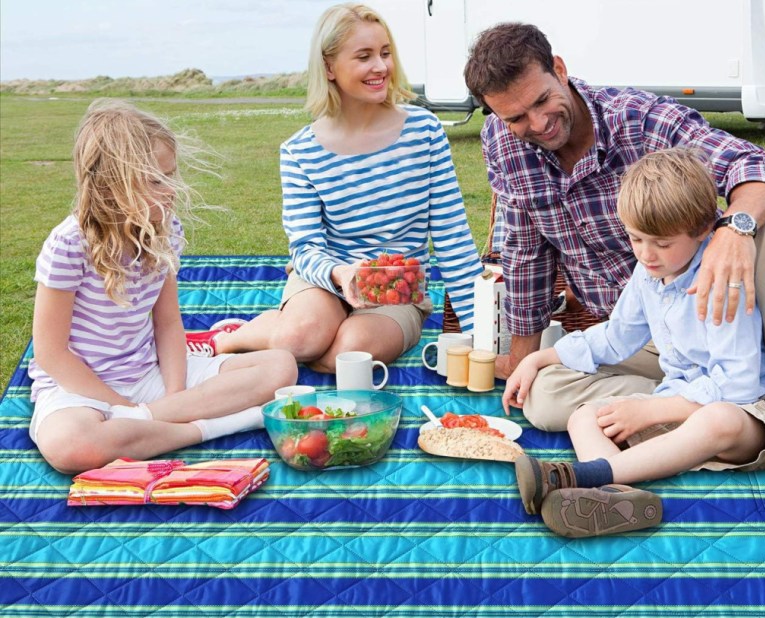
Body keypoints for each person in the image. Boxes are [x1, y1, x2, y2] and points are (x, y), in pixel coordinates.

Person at [463, 22, 765, 521]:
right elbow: (524, 254)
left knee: (763, 219)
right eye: (515, 116)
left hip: (714, 306)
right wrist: (527, 361)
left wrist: (735, 229)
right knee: (543, 398)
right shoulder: (502, 139)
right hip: (646, 337)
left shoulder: (638, 119)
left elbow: (762, 167)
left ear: (560, 70)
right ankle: (761, 402)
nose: (534, 124)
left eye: (541, 102)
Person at [505, 148, 765, 538]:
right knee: (585, 416)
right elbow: (615, 336)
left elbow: (738, 384)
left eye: (661, 243)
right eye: (635, 238)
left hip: (747, 413)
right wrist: (541, 357)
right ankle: (620, 499)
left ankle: (583, 475)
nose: (646, 254)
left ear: (702, 230)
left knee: (719, 419)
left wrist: (652, 410)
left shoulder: (719, 282)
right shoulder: (647, 275)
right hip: (679, 402)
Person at [186, 3, 483, 371]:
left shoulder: (424, 131)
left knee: (350, 355)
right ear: (328, 67)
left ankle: (293, 339)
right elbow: (305, 246)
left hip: (396, 294)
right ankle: (229, 338)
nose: (380, 67)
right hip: (327, 280)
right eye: (364, 56)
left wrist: (480, 333)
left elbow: (453, 237)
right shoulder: (300, 151)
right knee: (299, 339)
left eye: (385, 53)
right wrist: (340, 275)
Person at [28, 100, 298, 475]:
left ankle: (154, 424)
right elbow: (51, 353)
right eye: (156, 180)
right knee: (70, 447)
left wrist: (174, 396)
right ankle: (211, 426)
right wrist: (117, 405)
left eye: (171, 175)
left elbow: (168, 324)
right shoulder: (69, 243)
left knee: (279, 367)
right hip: (81, 388)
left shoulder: (166, 231)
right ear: (112, 184)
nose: (171, 190)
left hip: (148, 376)